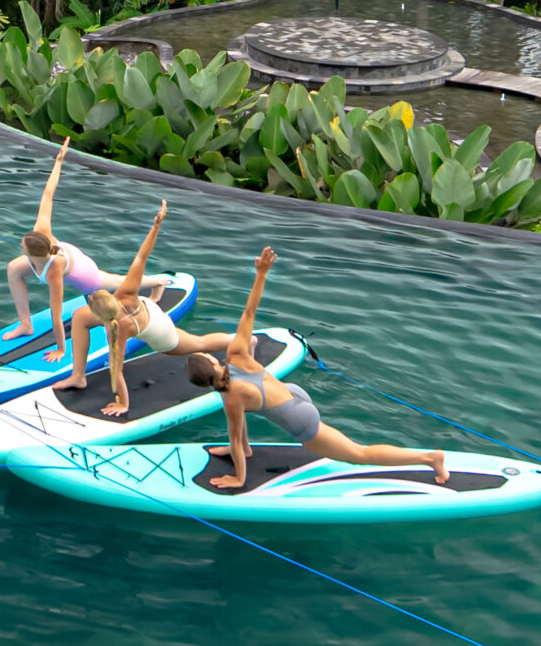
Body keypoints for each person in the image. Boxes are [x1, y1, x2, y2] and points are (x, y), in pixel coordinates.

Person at [185, 248, 448, 491]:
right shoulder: (236, 355)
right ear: (211, 361)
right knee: (242, 409)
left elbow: (234, 435)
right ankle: (249, 450)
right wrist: (262, 273)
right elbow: (250, 311)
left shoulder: (230, 396)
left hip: (299, 418)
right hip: (293, 394)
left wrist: (238, 478)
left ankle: (429, 457)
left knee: (359, 454)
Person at [52, 199, 238, 418]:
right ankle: (78, 376)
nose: (90, 298)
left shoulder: (119, 330)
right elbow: (141, 257)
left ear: (103, 317)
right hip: (142, 308)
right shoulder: (123, 293)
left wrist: (122, 404)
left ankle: (240, 341)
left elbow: (116, 372)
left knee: (198, 343)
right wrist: (156, 227)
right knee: (79, 316)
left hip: (160, 332)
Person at [3, 139, 119, 345]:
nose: (20, 245)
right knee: (13, 268)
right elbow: (48, 193)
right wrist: (59, 161)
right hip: (62, 251)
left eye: (23, 246)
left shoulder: (53, 270)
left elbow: (56, 316)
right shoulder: (41, 230)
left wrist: (61, 350)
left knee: (113, 283)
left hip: (83, 273)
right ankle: (25, 324)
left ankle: (158, 281)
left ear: (32, 254)